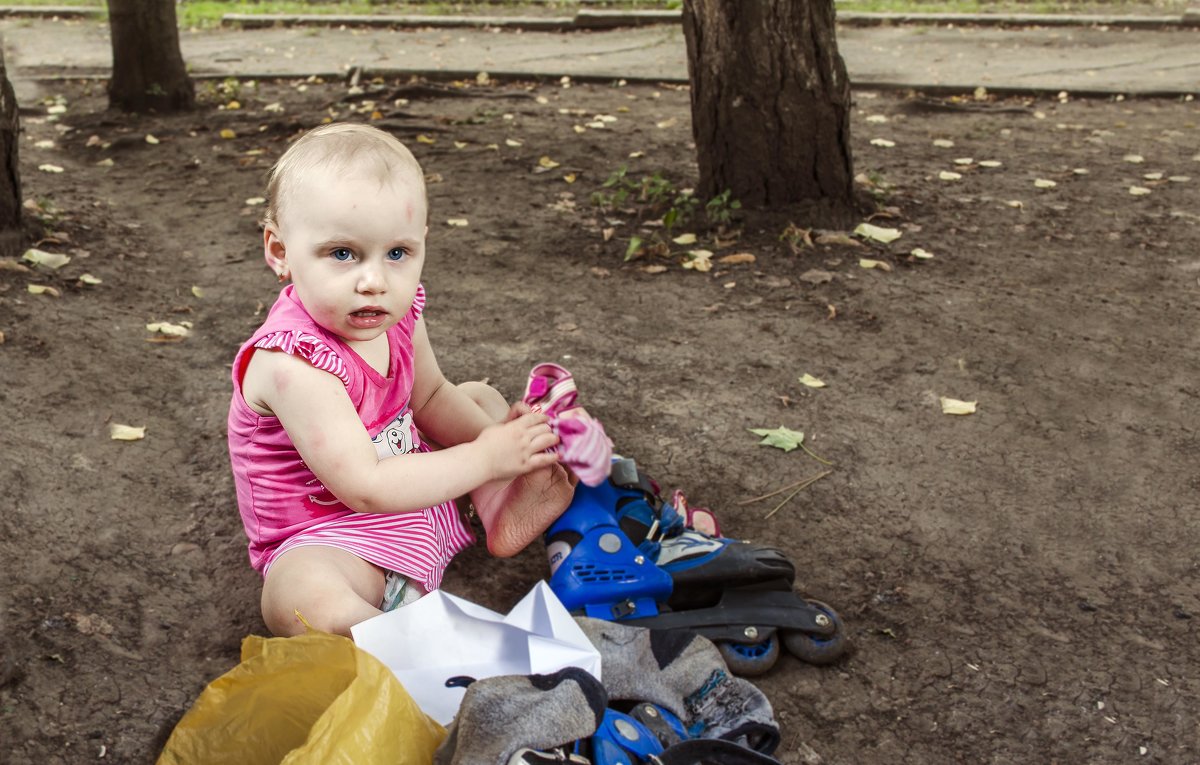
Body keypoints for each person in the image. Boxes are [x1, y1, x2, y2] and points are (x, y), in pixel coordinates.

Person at [227, 123, 575, 638]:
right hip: (336, 537)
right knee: (298, 596)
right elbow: (364, 488)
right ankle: (397, 637)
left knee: (476, 398)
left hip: (411, 501)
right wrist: (485, 458)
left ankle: (501, 506)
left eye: (397, 254)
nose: (374, 281)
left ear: (422, 244)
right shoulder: (293, 363)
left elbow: (430, 396)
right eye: (342, 254)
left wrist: (499, 442)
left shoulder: (397, 315)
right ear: (280, 251)